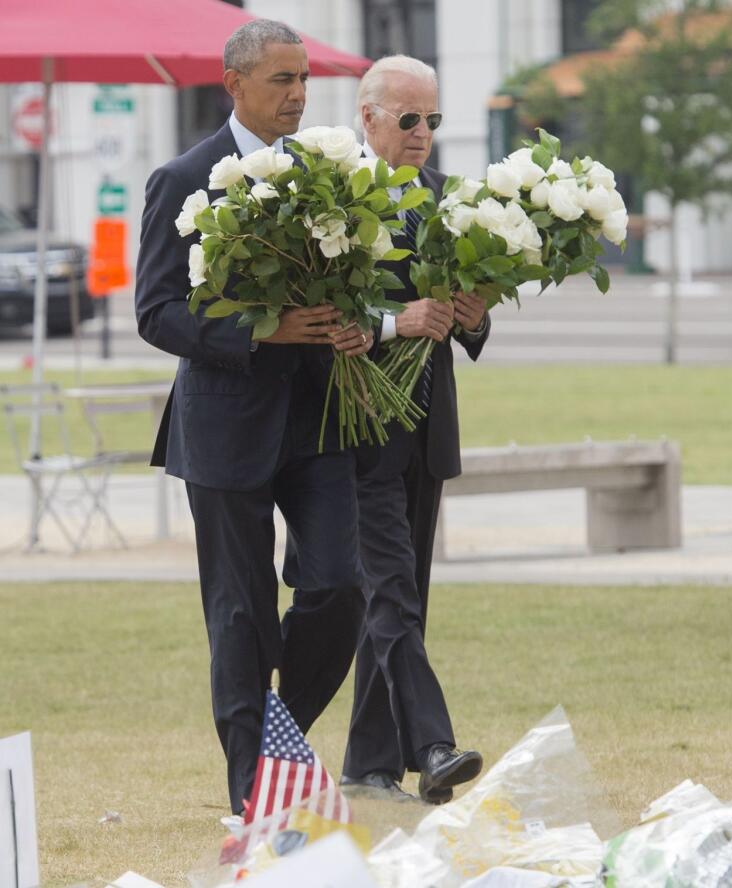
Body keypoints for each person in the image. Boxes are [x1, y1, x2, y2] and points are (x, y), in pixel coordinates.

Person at [135, 20, 371, 817]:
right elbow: (156, 312)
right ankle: (252, 792)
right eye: (281, 79)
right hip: (226, 425)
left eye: (304, 77)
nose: (299, 93)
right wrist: (255, 331)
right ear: (233, 83)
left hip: (320, 420)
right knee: (240, 613)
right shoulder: (181, 177)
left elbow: (351, 281)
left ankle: (281, 742)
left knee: (341, 585)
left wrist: (355, 322)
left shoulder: (330, 177)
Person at [324, 55, 487, 804]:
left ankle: (368, 760)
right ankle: (433, 746)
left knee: (404, 593)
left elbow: (461, 320)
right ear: (369, 118)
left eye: (434, 121)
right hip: (355, 427)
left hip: (427, 429)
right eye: (409, 119)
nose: (423, 134)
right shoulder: (329, 200)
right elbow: (321, 317)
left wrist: (472, 315)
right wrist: (396, 321)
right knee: (390, 592)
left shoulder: (449, 201)